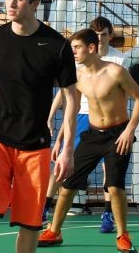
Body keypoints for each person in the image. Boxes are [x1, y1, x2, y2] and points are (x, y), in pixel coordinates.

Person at [0, 0, 79, 253]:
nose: (11, 4)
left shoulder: (57, 45)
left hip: (35, 145)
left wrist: (67, 150)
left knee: (30, 222)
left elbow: (71, 98)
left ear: (35, 3)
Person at [38, 29, 139, 253]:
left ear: (91, 48)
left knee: (115, 187)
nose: (73, 52)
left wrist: (129, 130)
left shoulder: (116, 72)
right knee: (67, 185)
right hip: (92, 134)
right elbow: (73, 109)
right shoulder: (77, 76)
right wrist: (61, 138)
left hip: (118, 136)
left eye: (76, 48)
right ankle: (54, 231)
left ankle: (122, 236)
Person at [44, 16, 127, 233]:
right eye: (96, 35)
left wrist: (128, 128)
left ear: (110, 36)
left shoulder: (119, 62)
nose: (100, 39)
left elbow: (134, 98)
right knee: (63, 165)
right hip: (82, 118)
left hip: (111, 127)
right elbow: (67, 95)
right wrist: (52, 118)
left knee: (110, 174)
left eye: (103, 35)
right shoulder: (78, 65)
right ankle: (45, 209)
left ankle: (109, 214)